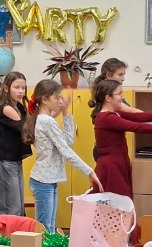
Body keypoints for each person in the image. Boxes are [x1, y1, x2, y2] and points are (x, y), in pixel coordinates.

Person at [22, 79, 102, 232]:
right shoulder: (46, 121)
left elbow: (68, 141)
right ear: (44, 99)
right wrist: (89, 171)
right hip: (43, 181)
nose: (60, 101)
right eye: (56, 97)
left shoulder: (46, 120)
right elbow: (66, 151)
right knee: (45, 227)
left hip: (48, 180)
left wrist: (65, 112)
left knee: (49, 226)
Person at [90, 78, 152, 198]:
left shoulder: (115, 114)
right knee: (117, 202)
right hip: (111, 166)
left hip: (119, 162)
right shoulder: (107, 118)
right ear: (108, 98)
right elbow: (138, 127)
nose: (122, 97)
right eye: (119, 94)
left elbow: (140, 117)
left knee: (121, 202)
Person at [0, 71, 32, 216]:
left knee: (18, 208)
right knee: (10, 208)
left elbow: (31, 124)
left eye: (23, 88)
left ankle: (15, 230)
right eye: (17, 87)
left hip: (14, 161)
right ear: (7, 88)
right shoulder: (7, 108)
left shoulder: (19, 107)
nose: (21, 91)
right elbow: (26, 130)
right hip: (5, 162)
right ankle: (4, 231)